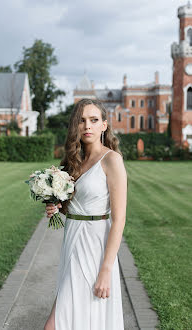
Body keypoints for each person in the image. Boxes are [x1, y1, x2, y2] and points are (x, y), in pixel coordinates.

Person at [44, 98, 127, 330]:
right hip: (72, 243)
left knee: (55, 325)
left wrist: (106, 270)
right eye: (81, 121)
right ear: (75, 126)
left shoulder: (112, 160)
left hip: (95, 247)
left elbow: (119, 219)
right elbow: (73, 204)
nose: (87, 126)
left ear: (104, 125)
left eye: (94, 120)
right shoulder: (74, 162)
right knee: (71, 320)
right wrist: (56, 207)